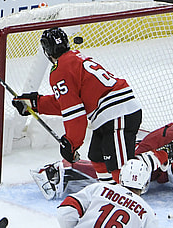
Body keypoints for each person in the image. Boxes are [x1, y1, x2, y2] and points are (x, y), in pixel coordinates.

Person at [12, 27, 142, 186]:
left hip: (117, 114)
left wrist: (71, 143)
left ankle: (129, 199)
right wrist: (36, 104)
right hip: (111, 114)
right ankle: (109, 194)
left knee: (121, 170)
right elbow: (69, 102)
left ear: (47, 52)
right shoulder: (75, 57)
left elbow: (74, 113)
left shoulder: (59, 70)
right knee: (97, 156)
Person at [56, 159, 159, 228]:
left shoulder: (98, 188)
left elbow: (66, 212)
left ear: (121, 176)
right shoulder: (148, 213)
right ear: (146, 183)